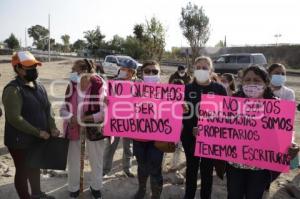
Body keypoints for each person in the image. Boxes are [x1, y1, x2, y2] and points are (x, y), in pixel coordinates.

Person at [226, 65, 299, 199]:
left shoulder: (277, 105)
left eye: (257, 80)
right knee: (233, 195)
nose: (251, 84)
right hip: (234, 164)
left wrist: (291, 143)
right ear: (242, 83)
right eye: (247, 80)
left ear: (265, 83)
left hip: (261, 166)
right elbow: (220, 126)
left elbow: (286, 130)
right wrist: (203, 132)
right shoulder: (232, 103)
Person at [2, 51, 59, 199]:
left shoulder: (38, 85)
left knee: (35, 165)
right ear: (19, 68)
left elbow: (48, 107)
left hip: (36, 138)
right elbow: (14, 118)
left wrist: (52, 126)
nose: (34, 69)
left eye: (35, 66)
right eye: (30, 67)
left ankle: (37, 194)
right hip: (19, 140)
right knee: (22, 170)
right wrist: (38, 132)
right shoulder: (13, 90)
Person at [181, 56, 227, 199]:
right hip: (189, 137)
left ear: (211, 70)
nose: (201, 70)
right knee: (191, 169)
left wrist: (211, 130)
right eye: (198, 67)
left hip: (210, 139)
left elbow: (225, 114)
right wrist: (191, 128)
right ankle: (189, 195)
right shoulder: (186, 89)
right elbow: (181, 113)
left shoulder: (219, 89)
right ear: (193, 70)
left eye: (205, 68)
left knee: (207, 171)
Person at [60, 59, 107, 199]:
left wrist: (85, 118)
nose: (72, 73)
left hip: (95, 128)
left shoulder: (99, 84)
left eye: (74, 70)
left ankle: (96, 187)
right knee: (73, 159)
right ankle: (73, 188)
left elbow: (105, 112)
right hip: (74, 127)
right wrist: (71, 117)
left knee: (96, 159)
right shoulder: (72, 86)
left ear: (84, 70)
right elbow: (63, 109)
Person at [133, 60, 164, 199]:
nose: (151, 74)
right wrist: (110, 103)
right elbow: (121, 108)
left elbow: (174, 115)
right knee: (142, 166)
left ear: (159, 74)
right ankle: (141, 190)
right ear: (142, 73)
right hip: (138, 137)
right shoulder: (133, 90)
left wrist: (182, 108)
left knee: (155, 168)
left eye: (155, 71)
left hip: (158, 139)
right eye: (147, 71)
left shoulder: (169, 92)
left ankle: (156, 195)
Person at [103, 59, 138, 177]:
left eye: (124, 69)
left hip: (130, 121)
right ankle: (105, 169)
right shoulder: (113, 83)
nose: (121, 71)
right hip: (115, 120)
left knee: (128, 147)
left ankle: (127, 169)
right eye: (121, 68)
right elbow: (105, 98)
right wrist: (105, 101)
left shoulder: (138, 84)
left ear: (131, 72)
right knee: (111, 146)